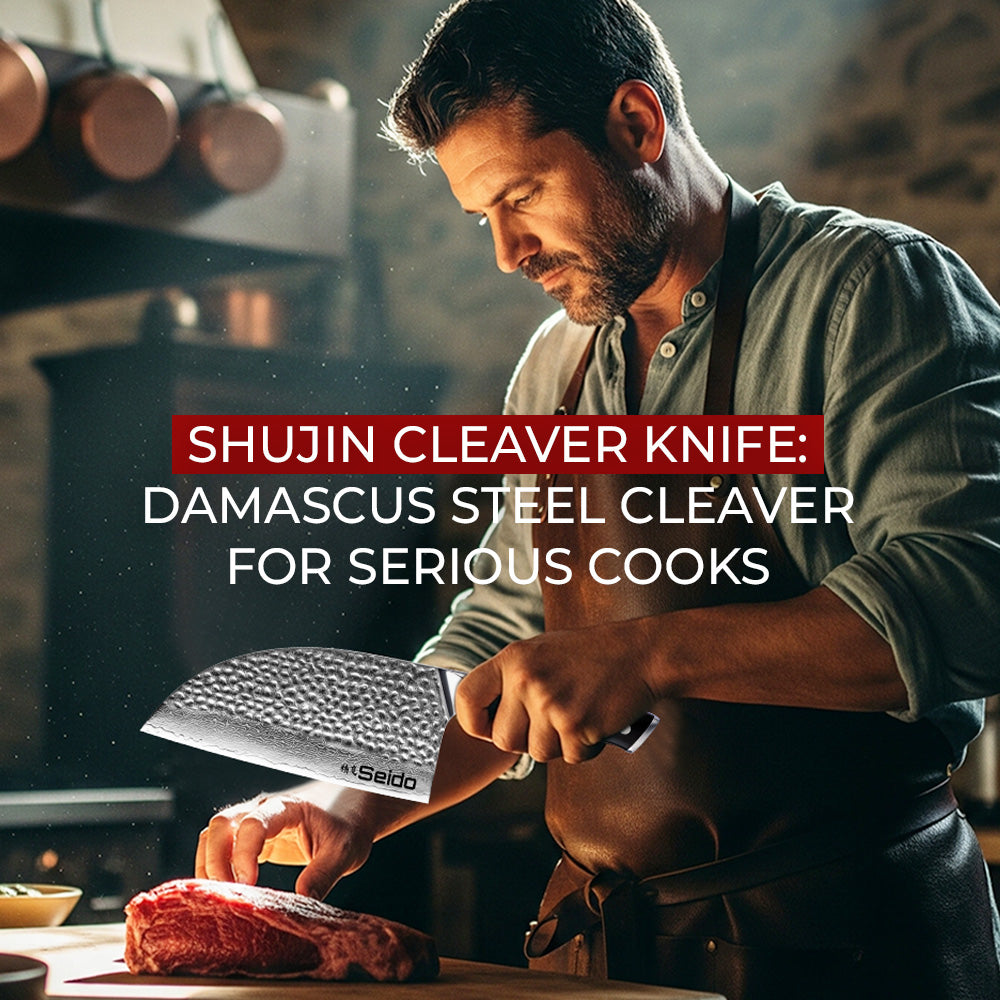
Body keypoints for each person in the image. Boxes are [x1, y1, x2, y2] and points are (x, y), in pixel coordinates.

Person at [195, 1, 1000, 996]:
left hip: (849, 949)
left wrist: (647, 654)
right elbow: (500, 633)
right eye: (480, 215)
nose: (506, 251)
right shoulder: (556, 367)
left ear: (635, 123)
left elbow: (969, 595)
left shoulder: (870, 289)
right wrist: (346, 801)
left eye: (521, 194)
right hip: (602, 954)